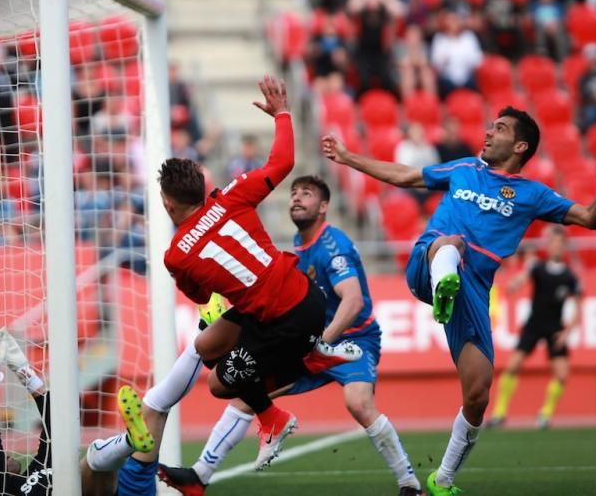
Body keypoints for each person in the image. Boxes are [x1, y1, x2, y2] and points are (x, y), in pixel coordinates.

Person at [322, 105, 596, 495]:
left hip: (473, 291)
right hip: (427, 262)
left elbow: (591, 219)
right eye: (490, 126)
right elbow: (405, 175)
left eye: (498, 128)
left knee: (479, 394)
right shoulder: (463, 168)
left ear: (520, 145)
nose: (487, 132)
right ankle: (443, 281)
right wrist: (348, 158)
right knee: (453, 242)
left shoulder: (533, 195)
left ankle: (442, 479)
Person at [106, 77, 359, 495]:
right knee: (205, 345)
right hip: (299, 295)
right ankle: (283, 396)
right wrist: (281, 114)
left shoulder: (177, 255)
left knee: (219, 383)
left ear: (169, 204)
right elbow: (282, 162)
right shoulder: (233, 195)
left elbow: (202, 297)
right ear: (203, 190)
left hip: (284, 320)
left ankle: (288, 394)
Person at [157, 175, 422, 495]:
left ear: (324, 206)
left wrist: (322, 342)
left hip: (351, 338)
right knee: (243, 390)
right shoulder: (298, 245)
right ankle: (200, 474)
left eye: (307, 194)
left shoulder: (331, 244)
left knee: (358, 403)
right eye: (294, 192)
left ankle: (410, 484)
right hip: (304, 340)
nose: (296, 198)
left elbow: (353, 302)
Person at [0, 326, 153, 495]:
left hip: (100, 487)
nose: (2, 455)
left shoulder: (36, 470)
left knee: (155, 405)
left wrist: (25, 373)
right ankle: (127, 442)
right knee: (95, 455)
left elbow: (53, 426)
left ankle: (130, 441)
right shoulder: (0, 490)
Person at [489, 226, 582, 429]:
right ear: (548, 246)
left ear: (564, 246)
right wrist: (514, 285)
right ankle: (499, 413)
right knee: (513, 366)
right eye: (552, 242)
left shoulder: (570, 277)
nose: (556, 246)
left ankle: (545, 415)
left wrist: (567, 332)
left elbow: (578, 308)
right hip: (534, 324)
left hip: (555, 328)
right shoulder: (537, 268)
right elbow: (521, 279)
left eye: (559, 243)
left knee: (562, 374)